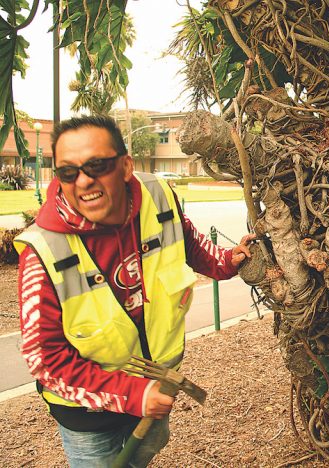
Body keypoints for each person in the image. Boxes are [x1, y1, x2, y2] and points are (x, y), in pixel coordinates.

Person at [15, 115, 255, 467]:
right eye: (69, 172)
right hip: (89, 412)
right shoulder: (43, 252)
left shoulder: (157, 195)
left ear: (126, 166)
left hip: (155, 387)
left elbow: (186, 241)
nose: (84, 181)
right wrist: (132, 395)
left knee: (139, 458)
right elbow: (45, 360)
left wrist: (224, 261)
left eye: (97, 166)